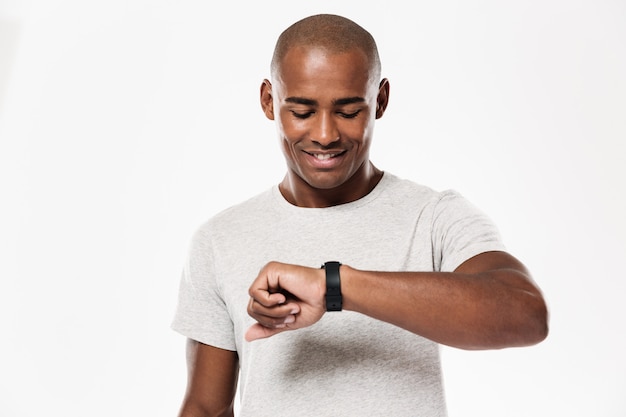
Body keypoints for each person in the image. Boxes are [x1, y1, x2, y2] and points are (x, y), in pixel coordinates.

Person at [171, 13, 548, 417]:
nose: (325, 135)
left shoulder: (434, 216)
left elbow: (525, 313)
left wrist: (334, 286)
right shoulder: (220, 239)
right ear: (269, 101)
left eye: (349, 111)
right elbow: (205, 409)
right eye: (301, 111)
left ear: (380, 100)